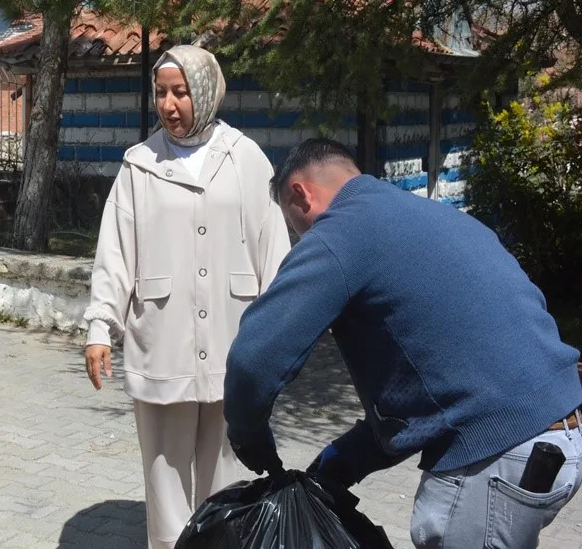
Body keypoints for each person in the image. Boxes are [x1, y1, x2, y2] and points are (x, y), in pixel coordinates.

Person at [223, 137, 582, 548]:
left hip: (498, 458)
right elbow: (429, 385)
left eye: (293, 225)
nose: (301, 236)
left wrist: (250, 439)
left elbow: (256, 358)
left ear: (300, 195)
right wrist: (344, 461)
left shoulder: (341, 230)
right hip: (562, 434)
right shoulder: (435, 217)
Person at [82, 45, 291, 549]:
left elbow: (275, 250)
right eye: (161, 93)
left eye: (179, 93)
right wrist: (98, 327)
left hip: (232, 341)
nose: (168, 105)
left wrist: (281, 336)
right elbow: (115, 251)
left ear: (204, 92)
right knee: (166, 482)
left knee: (228, 479)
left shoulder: (245, 157)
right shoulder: (139, 165)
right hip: (162, 341)